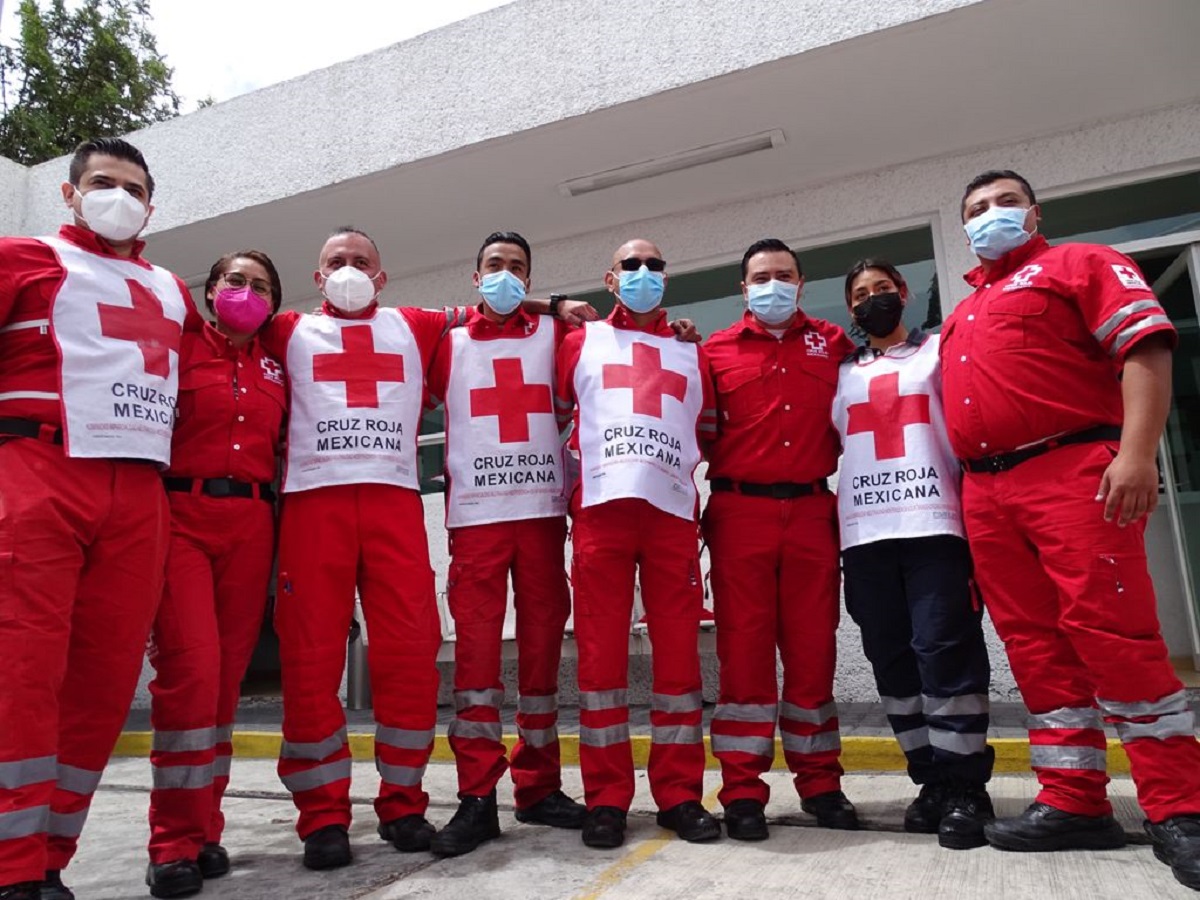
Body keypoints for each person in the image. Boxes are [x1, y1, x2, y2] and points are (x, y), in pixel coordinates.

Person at [261, 228, 592, 871]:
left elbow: (571, 358)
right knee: (330, 664)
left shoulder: (433, 327)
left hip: (476, 512)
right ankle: (351, 814)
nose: (350, 270)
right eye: (338, 262)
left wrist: (557, 306)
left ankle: (452, 798)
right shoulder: (302, 330)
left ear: (383, 278)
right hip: (371, 512)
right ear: (318, 272)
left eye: (362, 262)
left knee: (447, 662)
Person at [943, 169, 1200, 890]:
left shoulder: (1080, 264)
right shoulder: (968, 309)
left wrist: (1139, 452)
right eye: (976, 210)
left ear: (1034, 210)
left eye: (1004, 203)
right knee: (1034, 646)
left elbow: (1146, 349)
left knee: (1114, 636)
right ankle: (1073, 799)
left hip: (1071, 471)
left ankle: (1180, 808)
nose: (991, 216)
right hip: (988, 492)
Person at [0, 138, 199, 900]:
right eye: (103, 182)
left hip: (139, 491)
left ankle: (48, 855)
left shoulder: (171, 291)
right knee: (23, 672)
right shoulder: (25, 257)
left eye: (134, 187)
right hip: (39, 469)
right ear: (69, 192)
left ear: (152, 203)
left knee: (105, 682)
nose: (119, 196)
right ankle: (10, 869)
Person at [422, 231, 585, 857]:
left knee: (542, 662)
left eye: (518, 268)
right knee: (477, 671)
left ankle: (540, 787)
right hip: (477, 523)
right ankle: (477, 797)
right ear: (475, 277)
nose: (506, 276)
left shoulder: (556, 337)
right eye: (495, 266)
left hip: (542, 518)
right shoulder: (448, 343)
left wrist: (556, 306)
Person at [555, 238, 719, 849]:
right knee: (600, 665)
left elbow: (704, 428)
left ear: (667, 279)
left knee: (678, 662)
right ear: (609, 278)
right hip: (600, 515)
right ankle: (606, 800)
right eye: (631, 265)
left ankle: (679, 796)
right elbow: (553, 408)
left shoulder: (689, 349)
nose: (643, 273)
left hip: (672, 516)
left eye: (654, 264)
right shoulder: (578, 343)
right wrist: (555, 305)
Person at [831, 258, 994, 850]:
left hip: (934, 526)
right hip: (865, 537)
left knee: (945, 655)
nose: (873, 299)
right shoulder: (840, 375)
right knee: (893, 662)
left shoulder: (938, 356)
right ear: (850, 309)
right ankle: (929, 781)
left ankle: (965, 787)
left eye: (882, 289)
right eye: (860, 294)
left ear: (903, 293)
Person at [703, 238, 857, 841]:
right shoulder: (713, 351)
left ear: (801, 282)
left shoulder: (833, 343)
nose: (773, 285)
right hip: (740, 513)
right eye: (761, 277)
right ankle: (742, 790)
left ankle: (821, 783)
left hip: (815, 511)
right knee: (743, 655)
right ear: (744, 289)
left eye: (783, 275)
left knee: (814, 651)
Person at [143, 251, 287, 898]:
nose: (247, 292)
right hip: (180, 517)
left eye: (260, 286)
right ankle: (171, 842)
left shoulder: (277, 365)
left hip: (252, 523)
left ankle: (205, 828)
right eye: (236, 281)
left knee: (225, 684)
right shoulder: (176, 347)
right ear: (209, 291)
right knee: (190, 675)